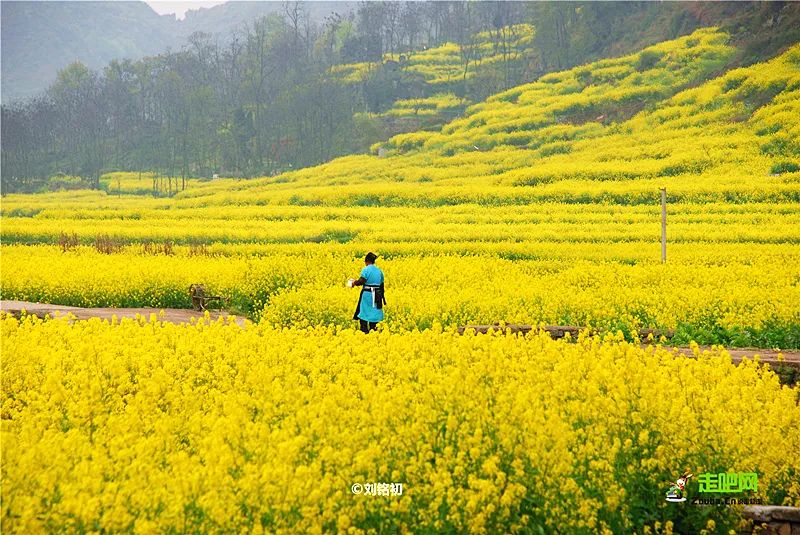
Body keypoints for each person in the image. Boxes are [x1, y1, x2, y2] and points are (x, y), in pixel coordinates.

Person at [351, 252, 386, 333]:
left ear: (366, 261)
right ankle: (374, 331)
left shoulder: (366, 269)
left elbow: (361, 281)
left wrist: (354, 283)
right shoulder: (379, 271)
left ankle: (364, 331)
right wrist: (381, 297)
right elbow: (382, 285)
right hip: (377, 295)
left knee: (364, 312)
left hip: (368, 294)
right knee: (375, 313)